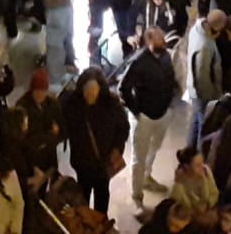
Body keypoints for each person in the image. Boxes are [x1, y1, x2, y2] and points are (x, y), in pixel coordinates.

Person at [62, 67, 129, 215]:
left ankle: (100, 224)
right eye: (86, 92)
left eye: (93, 92)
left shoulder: (111, 104)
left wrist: (117, 149)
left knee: (102, 197)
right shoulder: (73, 104)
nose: (89, 96)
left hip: (103, 163)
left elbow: (123, 128)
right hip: (82, 163)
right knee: (82, 198)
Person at [126, 26, 180, 202]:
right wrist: (136, 112)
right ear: (148, 42)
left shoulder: (165, 57)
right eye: (158, 39)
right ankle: (136, 195)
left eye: (162, 39)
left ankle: (147, 177)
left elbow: (171, 79)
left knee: (154, 148)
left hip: (162, 114)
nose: (162, 42)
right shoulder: (138, 61)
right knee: (138, 158)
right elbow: (123, 88)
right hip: (144, 117)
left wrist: (170, 103)